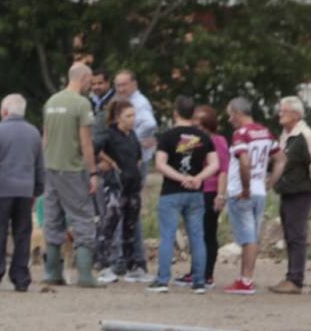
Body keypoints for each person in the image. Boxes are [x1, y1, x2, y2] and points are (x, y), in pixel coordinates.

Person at [0, 93, 44, 291]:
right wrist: (37, 189)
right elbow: (40, 165)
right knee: (22, 234)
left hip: (0, 191)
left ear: (4, 111)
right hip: (25, 191)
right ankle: (21, 278)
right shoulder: (33, 133)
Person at [148, 96, 218, 294]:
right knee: (197, 236)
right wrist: (197, 178)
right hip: (196, 193)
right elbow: (215, 164)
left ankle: (162, 280)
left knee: (168, 236)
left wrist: (180, 177)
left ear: (175, 113)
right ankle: (199, 281)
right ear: (193, 113)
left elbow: (161, 164)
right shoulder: (204, 137)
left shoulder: (168, 136)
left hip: (171, 192)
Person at [41, 63, 100, 287]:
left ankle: (52, 273)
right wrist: (93, 171)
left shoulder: (52, 101)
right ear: (84, 78)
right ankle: (85, 275)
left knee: (53, 218)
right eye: (90, 81)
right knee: (83, 218)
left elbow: (45, 138)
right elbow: (86, 141)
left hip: (51, 167)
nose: (91, 85)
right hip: (73, 170)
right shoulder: (81, 104)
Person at [221, 97, 278, 296]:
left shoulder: (241, 134)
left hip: (242, 191)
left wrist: (245, 188)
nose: (229, 119)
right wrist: (270, 181)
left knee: (248, 237)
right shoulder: (265, 132)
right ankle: (245, 277)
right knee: (252, 235)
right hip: (259, 190)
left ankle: (246, 280)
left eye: (230, 115)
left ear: (238, 113)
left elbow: (244, 162)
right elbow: (281, 158)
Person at [268, 95, 311, 294]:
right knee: (290, 234)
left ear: (296, 114)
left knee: (297, 235)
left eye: (284, 111)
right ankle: (291, 277)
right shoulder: (285, 135)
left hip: (300, 191)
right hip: (287, 190)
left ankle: (295, 279)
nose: (280, 114)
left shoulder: (304, 135)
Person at [112, 69, 158, 280]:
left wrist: (131, 140)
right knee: (125, 210)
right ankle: (128, 259)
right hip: (131, 162)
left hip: (135, 165)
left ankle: (132, 260)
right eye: (118, 85)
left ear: (134, 84)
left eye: (124, 85)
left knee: (128, 210)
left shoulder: (138, 103)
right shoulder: (126, 103)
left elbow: (150, 124)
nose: (121, 89)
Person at [91, 97, 142, 283]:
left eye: (134, 115)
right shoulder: (108, 134)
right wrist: (107, 162)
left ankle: (131, 267)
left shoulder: (132, 135)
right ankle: (103, 266)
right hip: (114, 187)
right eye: (129, 115)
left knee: (130, 227)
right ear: (119, 117)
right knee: (109, 225)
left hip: (132, 187)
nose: (133, 119)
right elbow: (92, 148)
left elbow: (138, 156)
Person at [190, 104, 230, 289]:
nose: (196, 128)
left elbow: (223, 170)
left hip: (211, 191)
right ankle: (195, 270)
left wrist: (220, 195)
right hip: (197, 190)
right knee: (196, 233)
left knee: (208, 233)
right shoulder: (196, 140)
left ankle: (207, 274)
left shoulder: (218, 141)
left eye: (200, 124)